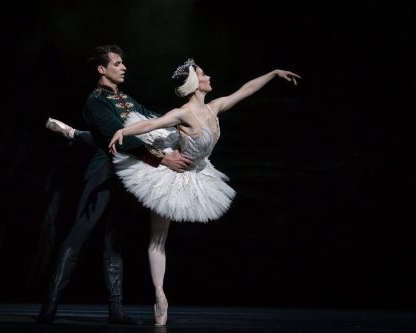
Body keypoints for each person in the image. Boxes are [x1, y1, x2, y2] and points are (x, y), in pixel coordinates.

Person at [107, 58, 301, 325]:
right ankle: (160, 296)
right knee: (158, 238)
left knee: (162, 238)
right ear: (195, 83)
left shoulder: (213, 107)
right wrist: (123, 130)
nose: (208, 76)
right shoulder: (184, 113)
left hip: (197, 172)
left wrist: (273, 72)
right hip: (170, 173)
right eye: (203, 73)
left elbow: (245, 90)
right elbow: (152, 125)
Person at [38, 44, 192, 325]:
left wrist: (184, 122)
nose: (124, 67)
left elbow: (151, 120)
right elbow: (123, 141)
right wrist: (162, 160)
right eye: (118, 63)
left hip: (129, 178)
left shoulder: (126, 99)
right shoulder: (96, 101)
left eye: (123, 63)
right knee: (78, 238)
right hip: (104, 175)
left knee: (115, 243)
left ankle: (116, 311)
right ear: (102, 69)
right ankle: (49, 306)